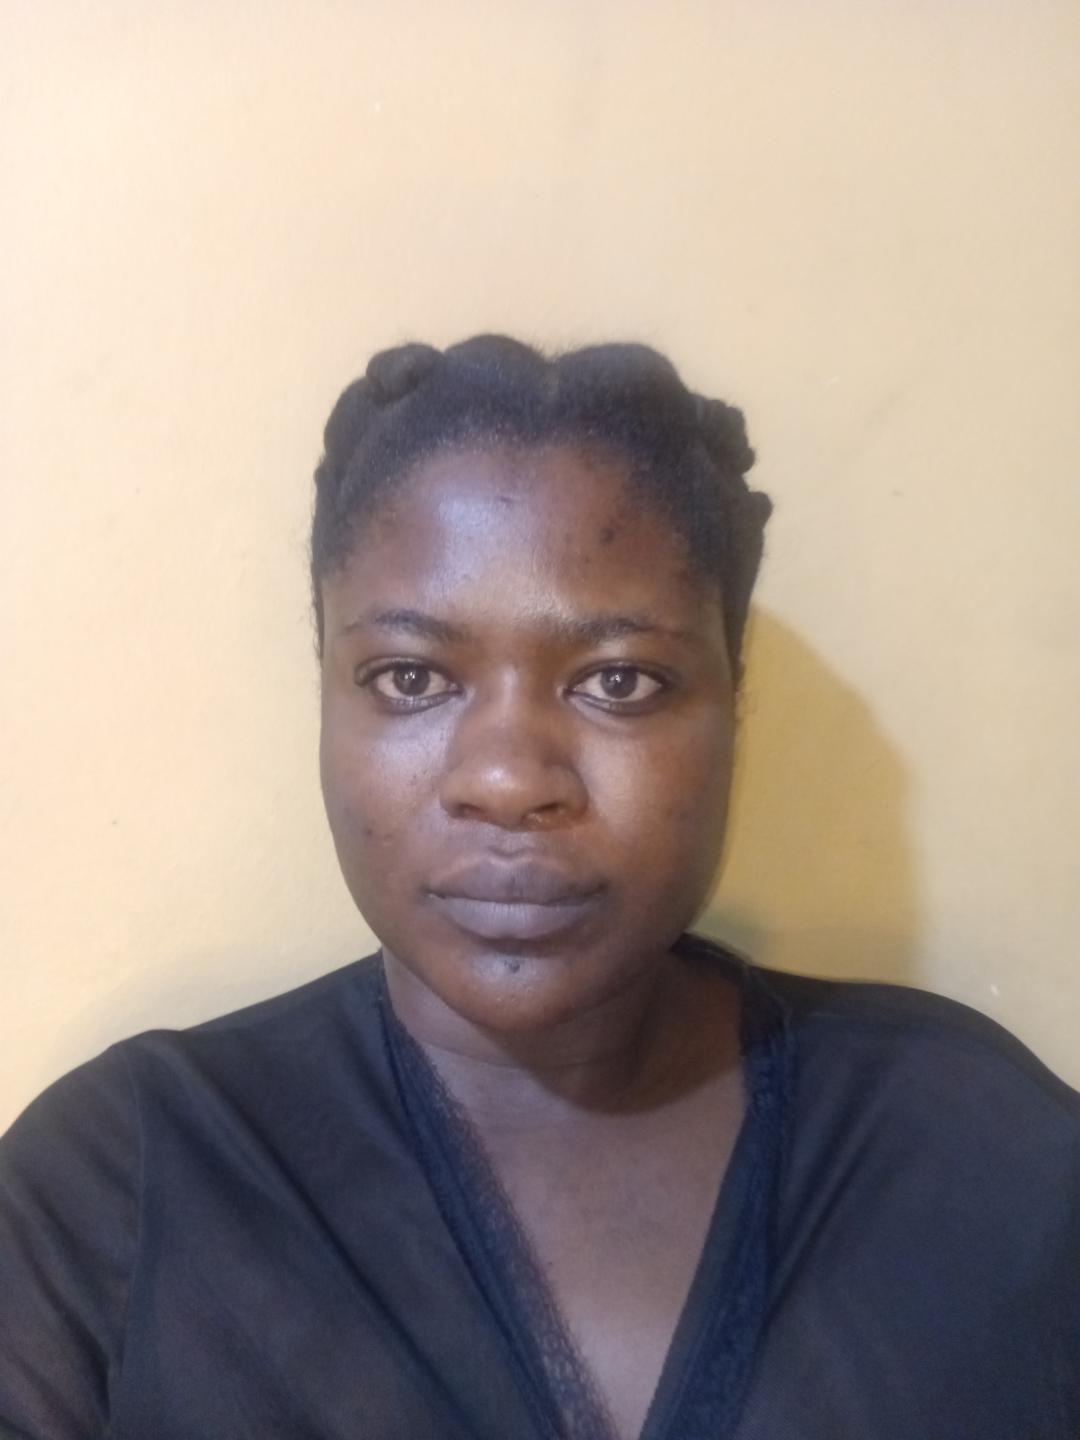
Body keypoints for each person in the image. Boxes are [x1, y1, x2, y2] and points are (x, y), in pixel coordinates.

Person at [0, 335, 1076, 1440]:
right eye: (409, 678)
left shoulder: (978, 1154)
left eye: (621, 681)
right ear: (328, 695)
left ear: (732, 703)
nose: (509, 781)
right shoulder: (124, 1187)